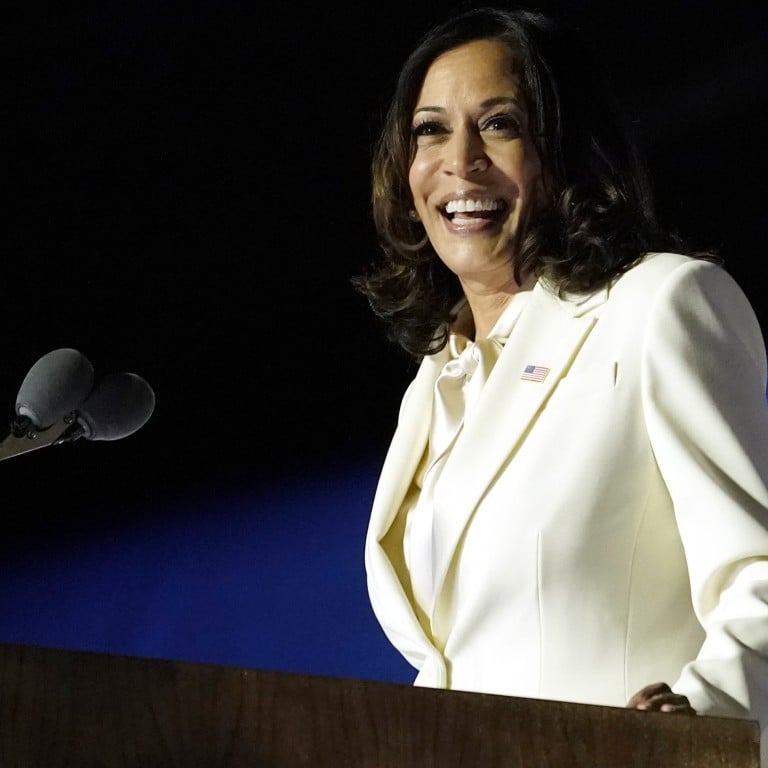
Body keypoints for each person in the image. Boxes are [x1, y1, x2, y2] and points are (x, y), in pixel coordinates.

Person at [351, 3, 768, 760]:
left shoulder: (659, 305)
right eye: (431, 130)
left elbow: (759, 573)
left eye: (500, 124)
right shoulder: (435, 385)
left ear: (567, 151)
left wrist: (700, 724)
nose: (460, 161)